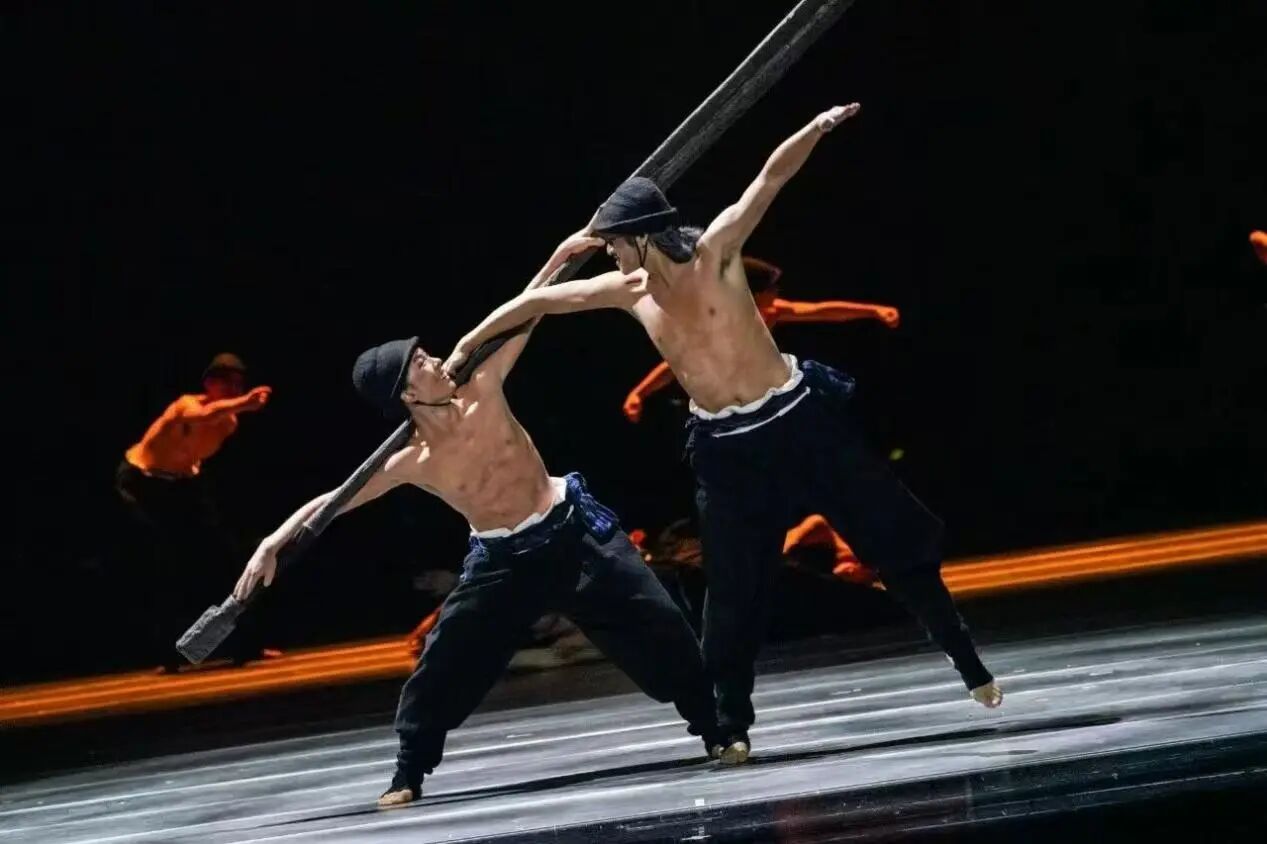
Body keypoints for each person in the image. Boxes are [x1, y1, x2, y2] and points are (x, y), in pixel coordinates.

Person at [445, 103, 1002, 765]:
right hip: (728, 450)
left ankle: (965, 659)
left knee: (888, 540)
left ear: (641, 235)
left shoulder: (717, 254)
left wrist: (817, 127)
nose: (612, 255)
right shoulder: (628, 290)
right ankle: (730, 724)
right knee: (733, 590)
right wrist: (466, 348)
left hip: (798, 422)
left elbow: (770, 178)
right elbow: (536, 303)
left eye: (616, 243)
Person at [232, 236, 726, 809]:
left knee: (659, 625)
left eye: (428, 354)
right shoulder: (412, 461)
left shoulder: (482, 384)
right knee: (445, 661)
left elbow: (529, 307)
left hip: (573, 533)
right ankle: (409, 770)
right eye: (422, 363)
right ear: (407, 394)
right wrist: (271, 542)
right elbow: (332, 502)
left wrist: (562, 255)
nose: (436, 360)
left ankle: (715, 728)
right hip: (502, 562)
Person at [622, 255, 890, 585]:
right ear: (753, 292)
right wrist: (639, 393)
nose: (778, 295)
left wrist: (873, 311)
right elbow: (674, 364)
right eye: (772, 289)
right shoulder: (719, 325)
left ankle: (838, 552)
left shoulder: (769, 313)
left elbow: (821, 310)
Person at [115, 353, 273, 671]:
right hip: (141, 483)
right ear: (209, 384)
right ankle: (171, 655)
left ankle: (244, 644)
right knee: (165, 565)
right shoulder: (186, 405)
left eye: (238, 385)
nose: (233, 390)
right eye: (227, 384)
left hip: (182, 484)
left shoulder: (228, 423)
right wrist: (245, 402)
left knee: (225, 560)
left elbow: (193, 453)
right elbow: (202, 417)